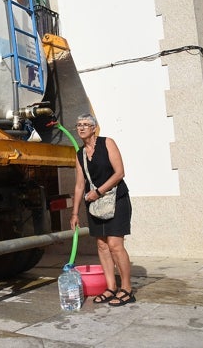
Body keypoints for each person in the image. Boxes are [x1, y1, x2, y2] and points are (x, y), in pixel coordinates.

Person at [69, 113, 135, 306]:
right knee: (102, 246)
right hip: (96, 205)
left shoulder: (108, 143)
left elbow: (119, 172)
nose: (81, 128)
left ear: (94, 128)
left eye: (85, 125)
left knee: (115, 245)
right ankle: (111, 287)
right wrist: (74, 213)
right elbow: (80, 185)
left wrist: (98, 191)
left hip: (117, 200)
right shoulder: (80, 154)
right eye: (78, 125)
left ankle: (127, 289)